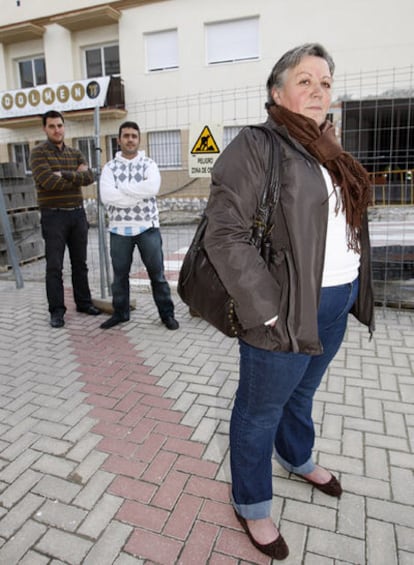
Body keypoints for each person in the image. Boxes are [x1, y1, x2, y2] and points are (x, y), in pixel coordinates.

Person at [203, 43, 375, 560]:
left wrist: (352, 288)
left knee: (300, 397)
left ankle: (296, 457)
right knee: (258, 411)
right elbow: (224, 233)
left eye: (325, 82)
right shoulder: (257, 146)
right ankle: (251, 502)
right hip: (281, 311)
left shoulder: (329, 148)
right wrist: (267, 309)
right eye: (305, 80)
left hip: (335, 302)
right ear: (278, 92)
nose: (318, 90)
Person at [99, 120, 179, 331]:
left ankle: (167, 315)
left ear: (139, 139)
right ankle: (120, 313)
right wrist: (136, 194)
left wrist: (122, 190)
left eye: (134, 136)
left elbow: (151, 188)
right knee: (120, 277)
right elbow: (107, 196)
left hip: (147, 228)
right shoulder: (109, 168)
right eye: (126, 136)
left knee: (157, 276)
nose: (130, 140)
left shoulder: (149, 165)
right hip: (119, 230)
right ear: (119, 140)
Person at [30, 110, 101, 328]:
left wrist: (66, 174)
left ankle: (83, 303)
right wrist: (75, 176)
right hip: (54, 216)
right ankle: (57, 311)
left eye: (59, 125)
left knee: (80, 263)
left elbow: (90, 177)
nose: (57, 130)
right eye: (52, 126)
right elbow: (48, 182)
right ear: (45, 128)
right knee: (54, 266)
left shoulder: (75, 152)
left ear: (64, 127)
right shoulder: (38, 154)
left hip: (77, 214)